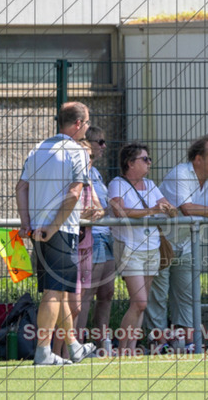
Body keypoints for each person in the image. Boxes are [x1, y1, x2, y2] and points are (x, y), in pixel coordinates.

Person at [15, 101, 102, 365]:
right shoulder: (77, 152)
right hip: (59, 230)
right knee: (53, 292)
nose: (86, 129)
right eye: (87, 123)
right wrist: (53, 227)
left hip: (39, 229)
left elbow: (21, 188)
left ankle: (73, 346)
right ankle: (43, 352)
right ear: (78, 124)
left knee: (61, 291)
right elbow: (74, 194)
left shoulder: (38, 149)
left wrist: (27, 223)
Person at [144, 135, 208, 353]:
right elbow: (187, 209)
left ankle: (187, 344)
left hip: (186, 245)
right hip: (161, 243)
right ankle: (157, 345)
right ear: (198, 159)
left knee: (188, 296)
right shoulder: (180, 173)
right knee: (158, 297)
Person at [108, 142, 178, 355]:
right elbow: (120, 211)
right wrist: (153, 210)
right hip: (130, 248)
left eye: (149, 159)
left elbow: (168, 207)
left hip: (152, 246)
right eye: (145, 159)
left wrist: (169, 210)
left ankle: (130, 350)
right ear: (130, 163)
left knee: (141, 304)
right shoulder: (117, 184)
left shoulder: (150, 184)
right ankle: (122, 350)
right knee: (139, 302)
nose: (149, 163)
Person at [53, 139, 104, 357]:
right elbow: (61, 211)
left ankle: (69, 354)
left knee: (76, 307)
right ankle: (54, 352)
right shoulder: (64, 180)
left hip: (86, 245)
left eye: (90, 157)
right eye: (84, 156)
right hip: (67, 245)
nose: (88, 160)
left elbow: (99, 207)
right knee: (69, 305)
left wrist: (96, 212)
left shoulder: (88, 180)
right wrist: (82, 215)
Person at [77, 126, 116, 351]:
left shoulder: (96, 173)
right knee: (87, 293)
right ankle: (78, 344)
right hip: (92, 237)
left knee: (107, 292)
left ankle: (102, 343)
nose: (104, 146)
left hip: (106, 235)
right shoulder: (81, 171)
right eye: (100, 142)